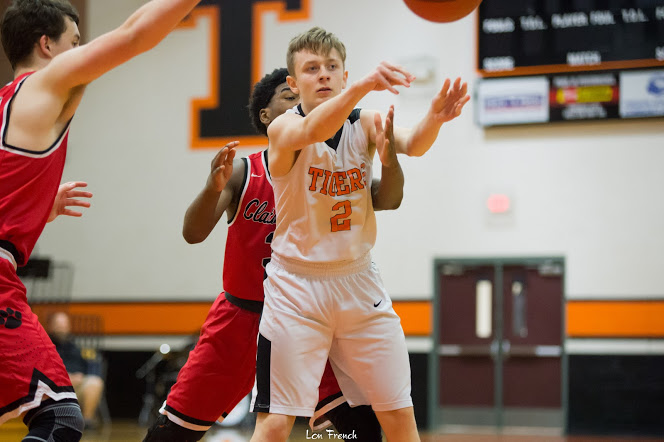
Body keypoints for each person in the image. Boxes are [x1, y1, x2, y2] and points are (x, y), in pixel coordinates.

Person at [143, 66, 401, 441]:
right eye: (290, 97)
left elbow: (389, 199)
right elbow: (192, 233)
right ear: (266, 116)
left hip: (309, 314)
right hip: (241, 319)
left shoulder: (334, 171)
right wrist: (212, 188)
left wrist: (390, 158)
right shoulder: (244, 172)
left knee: (362, 429)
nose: (302, 105)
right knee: (172, 433)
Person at [250, 27, 469, 442]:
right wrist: (366, 85)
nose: (324, 74)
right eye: (312, 68)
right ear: (293, 83)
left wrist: (435, 119)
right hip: (296, 288)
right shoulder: (282, 129)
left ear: (344, 75)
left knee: (399, 415)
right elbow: (314, 131)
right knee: (276, 424)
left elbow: (412, 143)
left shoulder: (365, 122)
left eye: (332, 66)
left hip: (358, 280)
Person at [0, 0, 204, 440]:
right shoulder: (45, 83)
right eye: (75, 43)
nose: (82, 52)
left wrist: (36, 207)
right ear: (46, 45)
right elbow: (134, 33)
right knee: (59, 416)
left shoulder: (6, 103)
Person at [47, 311, 105, 430]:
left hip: (77, 385)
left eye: (64, 325)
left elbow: (90, 367)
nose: (61, 329)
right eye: (58, 325)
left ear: (69, 327)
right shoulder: (45, 347)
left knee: (95, 382)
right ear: (51, 327)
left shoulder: (76, 347)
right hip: (55, 386)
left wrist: (80, 376)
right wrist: (65, 377)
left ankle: (86, 421)